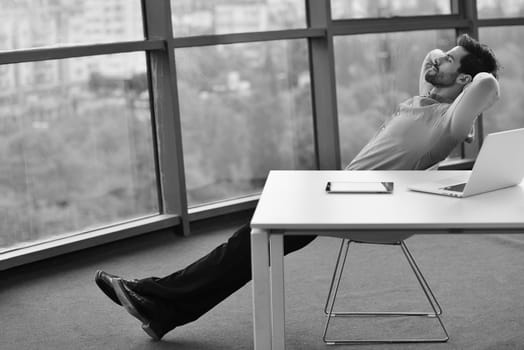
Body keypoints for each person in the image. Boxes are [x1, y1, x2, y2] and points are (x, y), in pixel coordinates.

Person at [95, 34, 500, 341]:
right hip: (344, 194)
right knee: (253, 239)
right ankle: (163, 310)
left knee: (253, 236)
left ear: (463, 77)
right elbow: (434, 67)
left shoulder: (451, 122)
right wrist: (446, 59)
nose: (437, 59)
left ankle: (153, 296)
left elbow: (486, 85)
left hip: (378, 209)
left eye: (449, 60)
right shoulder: (421, 101)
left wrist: (472, 71)